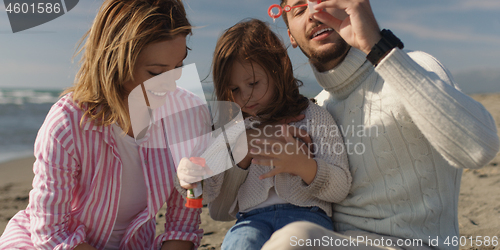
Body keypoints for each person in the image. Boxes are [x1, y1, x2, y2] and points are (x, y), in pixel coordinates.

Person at [257, 0, 500, 250]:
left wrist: (378, 47)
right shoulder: (316, 108)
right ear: (291, 37)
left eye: (321, 2)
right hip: (336, 241)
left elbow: (479, 148)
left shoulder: (414, 67)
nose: (314, 15)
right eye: (299, 10)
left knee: (294, 241)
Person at [0, 0, 203, 249]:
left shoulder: (186, 114)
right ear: (114, 61)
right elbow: (52, 233)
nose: (171, 85)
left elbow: (183, 222)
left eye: (178, 67)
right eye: (156, 73)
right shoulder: (67, 124)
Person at [177, 19, 352, 250]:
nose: (245, 97)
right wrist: (190, 174)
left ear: (278, 69)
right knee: (240, 243)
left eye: (253, 83)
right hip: (250, 220)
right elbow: (208, 192)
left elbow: (341, 187)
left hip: (308, 216)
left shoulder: (314, 117)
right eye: (235, 90)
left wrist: (303, 165)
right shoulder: (233, 130)